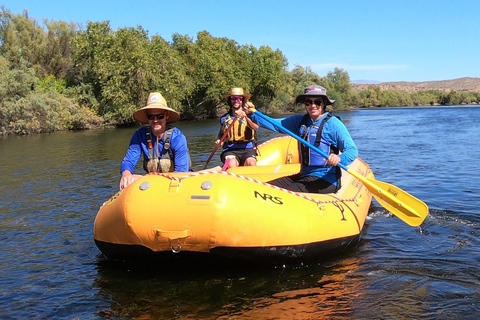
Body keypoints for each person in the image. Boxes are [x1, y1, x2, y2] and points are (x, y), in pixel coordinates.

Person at [245, 84, 358, 194]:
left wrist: (339, 158)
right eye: (308, 102)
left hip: (325, 180)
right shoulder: (300, 121)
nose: (313, 105)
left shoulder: (334, 124)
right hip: (304, 175)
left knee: (283, 193)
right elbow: (273, 124)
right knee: (262, 188)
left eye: (317, 102)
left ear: (323, 104)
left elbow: (352, 151)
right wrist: (252, 114)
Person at [119, 92, 190, 190]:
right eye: (151, 116)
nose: (155, 120)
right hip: (152, 186)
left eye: (160, 116)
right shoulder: (139, 135)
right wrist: (126, 174)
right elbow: (129, 160)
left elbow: (181, 172)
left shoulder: (178, 137)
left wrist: (143, 179)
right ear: (147, 118)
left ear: (167, 116)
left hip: (176, 186)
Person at [214, 87, 259, 169]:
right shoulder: (224, 118)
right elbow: (221, 133)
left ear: (242, 100)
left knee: (251, 163)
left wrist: (246, 117)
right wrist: (219, 140)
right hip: (230, 149)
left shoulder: (250, 115)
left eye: (239, 98)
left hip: (247, 148)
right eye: (233, 98)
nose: (236, 100)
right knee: (231, 165)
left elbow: (255, 127)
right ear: (230, 100)